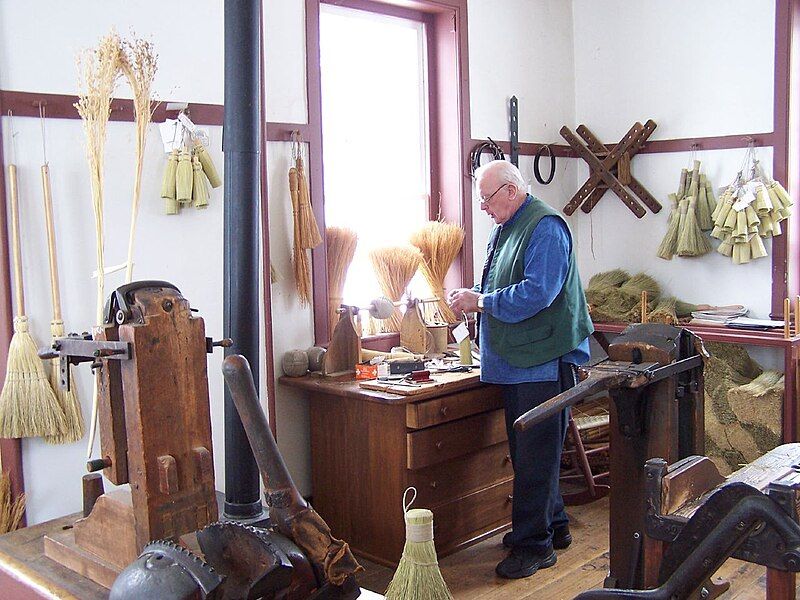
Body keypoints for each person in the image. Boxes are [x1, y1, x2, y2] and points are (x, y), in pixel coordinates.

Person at [447, 160, 593, 580]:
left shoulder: (546, 227)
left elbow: (539, 293)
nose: (484, 208)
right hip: (517, 362)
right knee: (531, 452)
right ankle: (555, 527)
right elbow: (498, 282)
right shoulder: (506, 226)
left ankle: (534, 547)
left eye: (486, 200)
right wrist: (478, 297)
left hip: (542, 362)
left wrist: (482, 302)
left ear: (510, 191)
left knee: (534, 457)